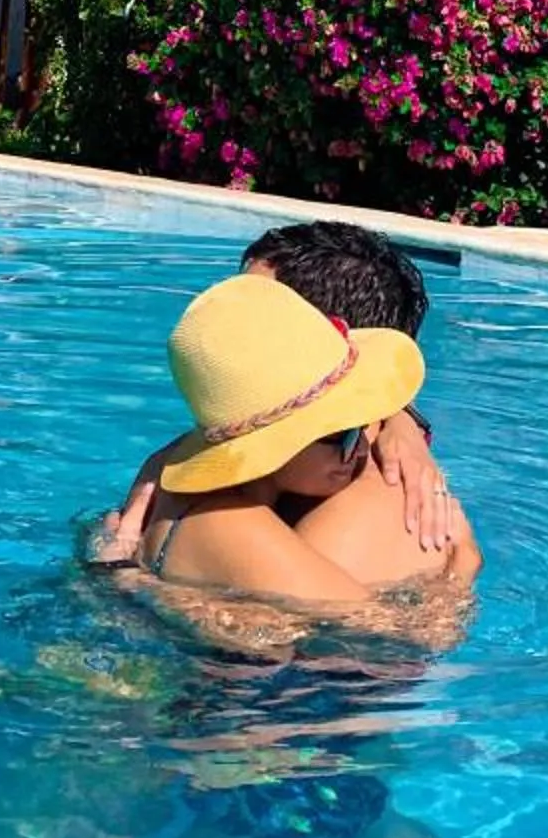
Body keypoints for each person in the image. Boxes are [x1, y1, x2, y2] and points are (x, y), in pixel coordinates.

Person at [123, 270, 480, 645]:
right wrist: (463, 567)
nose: (360, 448)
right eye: (341, 434)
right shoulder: (238, 527)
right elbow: (413, 635)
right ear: (272, 448)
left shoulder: (170, 489)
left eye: (364, 425)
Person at [94, 219, 454, 565]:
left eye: (252, 305)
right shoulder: (302, 457)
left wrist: (123, 581)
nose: (229, 315)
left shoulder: (344, 519)